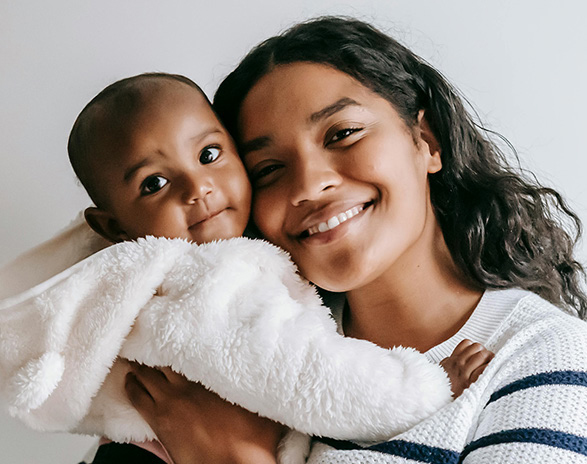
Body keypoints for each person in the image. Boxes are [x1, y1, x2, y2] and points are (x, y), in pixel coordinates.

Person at [123, 16, 587, 464]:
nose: (308, 185)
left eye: (343, 134)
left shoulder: (545, 356)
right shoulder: (237, 350)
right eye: (268, 169)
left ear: (426, 140)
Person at [54, 72, 489, 463]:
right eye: (154, 183)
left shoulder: (537, 354)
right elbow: (312, 378)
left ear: (427, 141)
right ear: (112, 226)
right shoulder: (211, 280)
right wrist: (428, 386)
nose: (199, 188)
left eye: (208, 154)